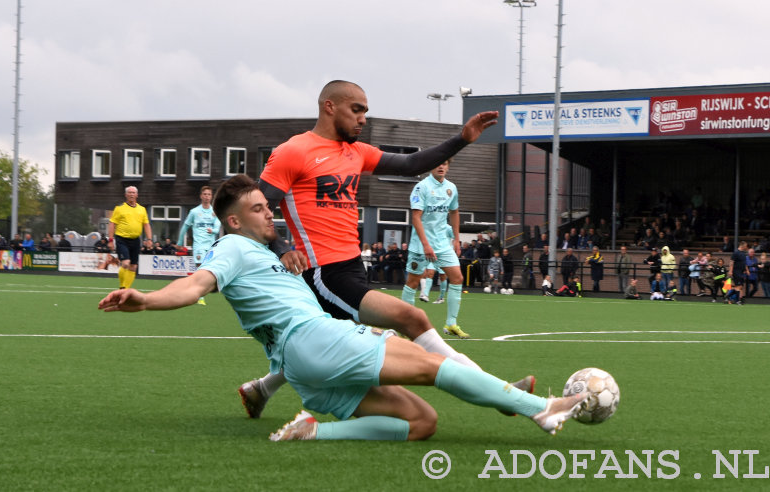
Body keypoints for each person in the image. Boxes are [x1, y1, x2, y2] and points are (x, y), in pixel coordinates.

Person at [97, 175, 586, 440]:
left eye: (268, 206)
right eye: (258, 209)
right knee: (435, 367)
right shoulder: (232, 247)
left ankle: (312, 433)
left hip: (303, 368)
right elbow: (195, 285)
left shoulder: (263, 255)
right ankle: (540, 409)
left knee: (422, 423)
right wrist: (145, 299)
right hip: (313, 343)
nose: (269, 212)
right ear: (233, 220)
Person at [240, 80, 502, 417]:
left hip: (352, 266)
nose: (363, 118)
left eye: (365, 111)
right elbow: (257, 212)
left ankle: (261, 388)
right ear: (329, 107)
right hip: (322, 273)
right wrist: (282, 247)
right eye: (357, 109)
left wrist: (461, 140)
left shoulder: (356, 152)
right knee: (410, 317)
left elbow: (410, 165)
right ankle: (495, 389)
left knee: (323, 343)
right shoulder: (293, 151)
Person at [402, 160, 468, 334]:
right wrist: (425, 245)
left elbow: (454, 212)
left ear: (448, 166)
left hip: (442, 244)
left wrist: (456, 239)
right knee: (413, 282)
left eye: (445, 164)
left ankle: (451, 324)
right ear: (431, 166)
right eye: (438, 163)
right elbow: (416, 217)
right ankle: (404, 324)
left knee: (457, 278)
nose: (441, 166)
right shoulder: (421, 187)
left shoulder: (451, 188)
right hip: (420, 245)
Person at [178, 185, 222, 305]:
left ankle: (199, 290)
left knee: (208, 269)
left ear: (211, 196)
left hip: (211, 245)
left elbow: (218, 226)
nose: (207, 196)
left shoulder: (214, 212)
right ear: (201, 196)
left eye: (209, 194)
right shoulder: (194, 212)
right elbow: (185, 226)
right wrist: (180, 242)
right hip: (198, 245)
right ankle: (199, 295)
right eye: (205, 194)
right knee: (200, 267)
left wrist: (213, 230)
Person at [107, 186, 152, 289]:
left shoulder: (142, 209)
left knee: (133, 267)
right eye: (129, 192)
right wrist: (110, 240)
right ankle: (122, 287)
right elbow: (112, 223)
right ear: (126, 195)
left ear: (137, 195)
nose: (131, 194)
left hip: (135, 240)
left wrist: (149, 239)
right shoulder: (119, 208)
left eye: (133, 193)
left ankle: (125, 289)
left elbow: (146, 224)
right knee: (126, 263)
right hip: (122, 239)